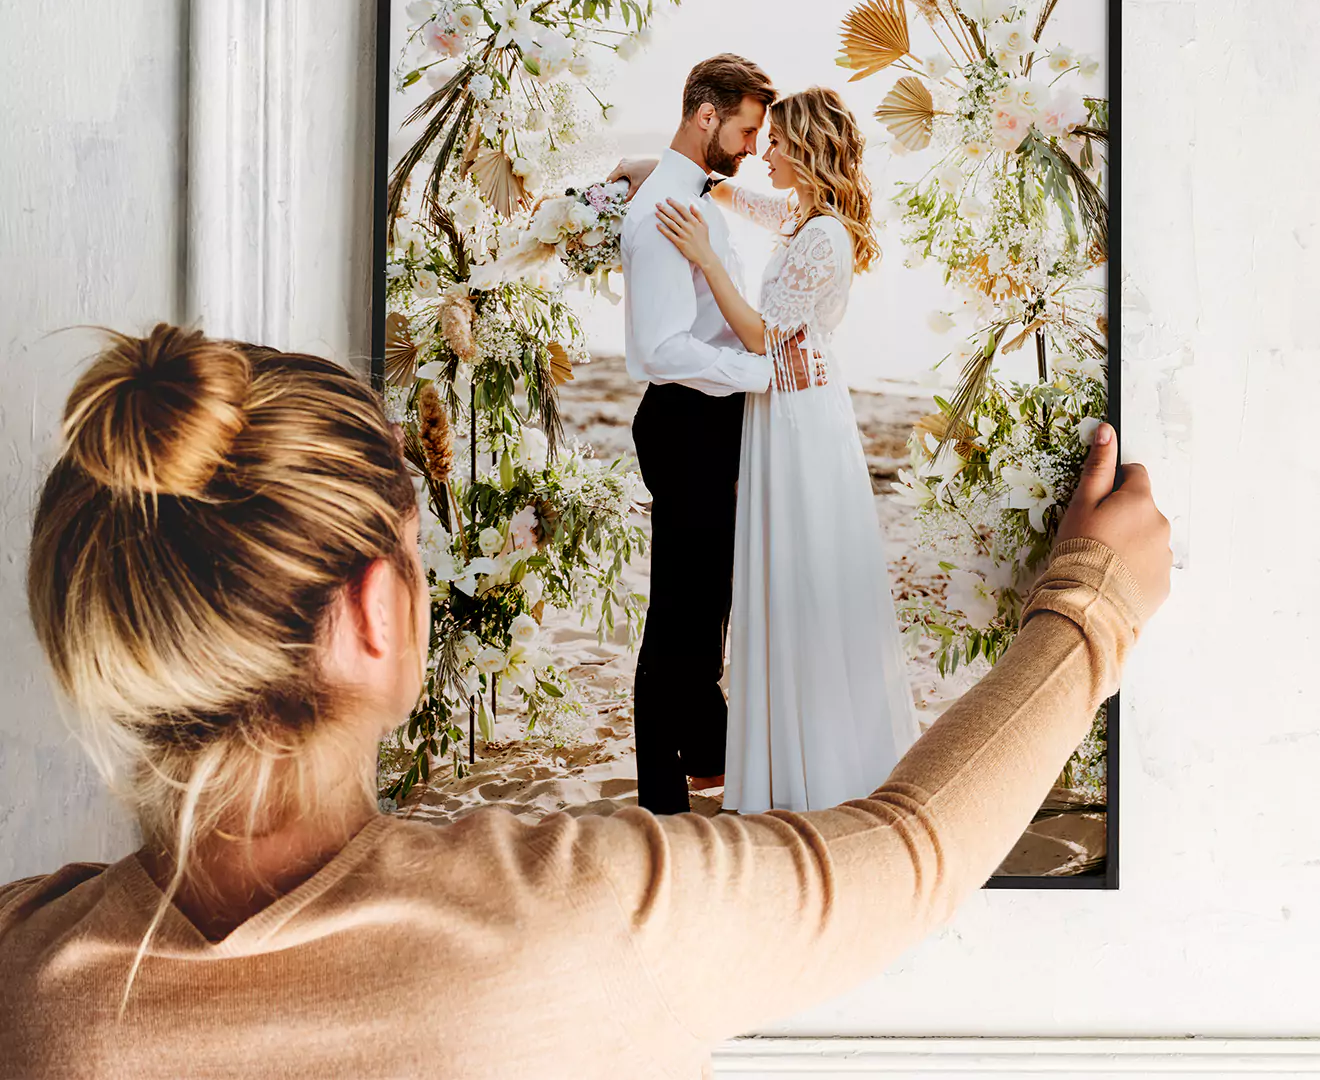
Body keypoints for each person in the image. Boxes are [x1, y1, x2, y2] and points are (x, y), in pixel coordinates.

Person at [0, 322, 1171, 1080]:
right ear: (371, 615)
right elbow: (912, 851)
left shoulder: (20, 976)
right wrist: (1092, 602)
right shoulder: (573, 922)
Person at [647, 85, 922, 813]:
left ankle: (819, 766)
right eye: (758, 139)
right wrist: (652, 172)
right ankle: (781, 758)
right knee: (782, 578)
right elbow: (732, 195)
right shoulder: (805, 218)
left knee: (802, 582)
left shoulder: (825, 237)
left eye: (774, 143)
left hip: (799, 422)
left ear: (804, 151)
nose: (761, 152)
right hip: (780, 413)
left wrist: (706, 261)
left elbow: (762, 335)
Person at [620, 51, 782, 815]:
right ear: (705, 115)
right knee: (681, 615)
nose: (753, 147)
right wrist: (766, 374)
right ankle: (661, 797)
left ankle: (701, 759)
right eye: (746, 130)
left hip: (706, 420)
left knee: (701, 607)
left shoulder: (687, 190)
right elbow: (659, 347)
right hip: (687, 421)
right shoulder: (665, 210)